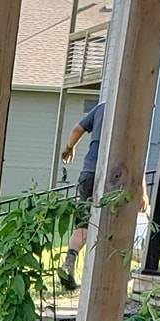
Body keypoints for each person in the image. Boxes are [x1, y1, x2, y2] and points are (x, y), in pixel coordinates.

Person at [58, 98, 103, 290]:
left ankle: (69, 261)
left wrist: (70, 148)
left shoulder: (102, 108)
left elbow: (77, 129)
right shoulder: (135, 113)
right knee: (110, 225)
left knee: (83, 224)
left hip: (88, 172)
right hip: (113, 174)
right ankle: (102, 277)